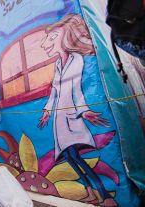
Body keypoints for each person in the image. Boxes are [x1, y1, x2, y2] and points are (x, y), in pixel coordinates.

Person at [38, 14, 116, 206]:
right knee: (70, 157)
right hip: (59, 118)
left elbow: (77, 88)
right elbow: (54, 91)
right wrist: (47, 110)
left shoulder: (77, 59)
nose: (45, 44)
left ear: (61, 36)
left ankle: (104, 195)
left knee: (76, 156)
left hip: (71, 116)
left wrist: (84, 111)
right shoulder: (58, 64)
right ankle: (90, 192)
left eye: (51, 38)